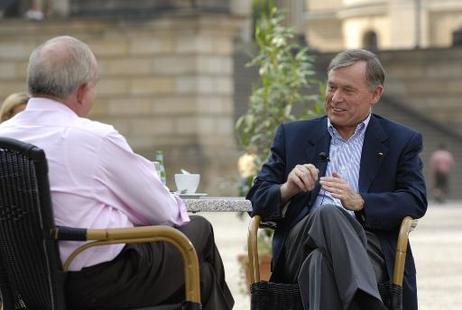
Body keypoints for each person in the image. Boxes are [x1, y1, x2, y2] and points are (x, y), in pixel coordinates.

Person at [0, 36, 233, 310]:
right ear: (82, 91)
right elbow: (164, 211)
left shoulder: (4, 137)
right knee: (199, 230)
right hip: (98, 283)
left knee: (202, 279)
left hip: (25, 282)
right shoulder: (93, 139)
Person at [247, 49, 427, 310]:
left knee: (319, 263)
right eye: (331, 87)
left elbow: (415, 199)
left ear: (375, 94)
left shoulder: (400, 140)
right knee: (328, 214)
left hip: (368, 248)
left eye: (348, 90)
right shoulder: (294, 135)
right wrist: (288, 188)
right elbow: (256, 199)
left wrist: (361, 202)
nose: (336, 98)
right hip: (299, 245)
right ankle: (370, 304)